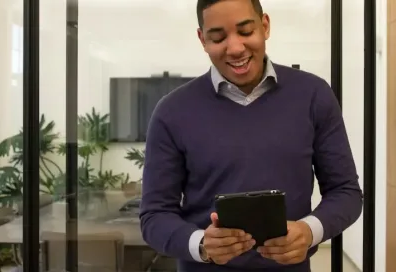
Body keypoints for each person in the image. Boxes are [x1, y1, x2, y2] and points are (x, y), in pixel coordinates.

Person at [139, 0, 363, 271]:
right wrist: (200, 244)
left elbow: (346, 192)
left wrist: (309, 231)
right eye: (218, 37)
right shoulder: (172, 112)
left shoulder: (313, 95)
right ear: (202, 39)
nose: (235, 48)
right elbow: (154, 216)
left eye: (245, 32)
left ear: (265, 25)